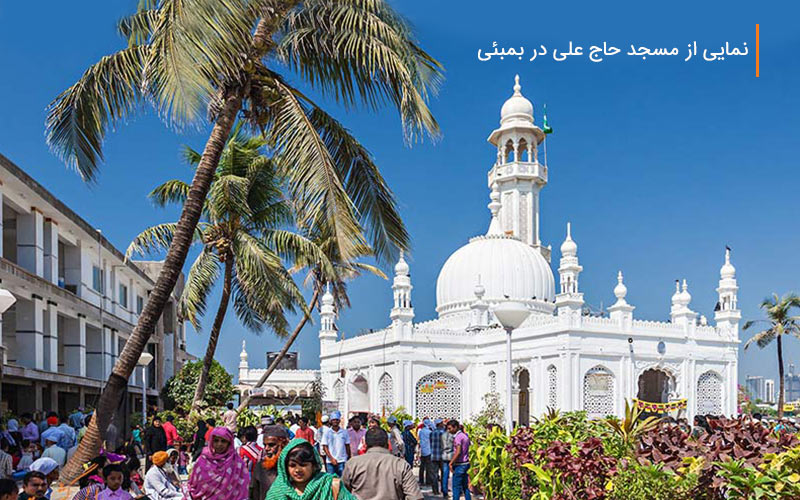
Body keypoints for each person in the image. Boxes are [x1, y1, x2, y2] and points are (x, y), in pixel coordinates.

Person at [342, 427, 423, 500]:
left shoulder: (352, 464)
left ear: (365, 445)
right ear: (388, 444)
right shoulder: (400, 465)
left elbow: (342, 492)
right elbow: (415, 497)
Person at [266, 439, 356, 500]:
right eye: (292, 465)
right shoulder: (278, 491)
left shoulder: (329, 485)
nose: (297, 470)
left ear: (313, 466)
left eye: (303, 465)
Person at [187, 427, 250, 500]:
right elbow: (194, 485)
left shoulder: (237, 463)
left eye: (223, 441)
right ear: (211, 441)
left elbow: (242, 487)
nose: (219, 444)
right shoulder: (202, 461)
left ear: (229, 443)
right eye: (216, 441)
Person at [249, 425, 287, 500]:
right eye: (264, 445)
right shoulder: (260, 467)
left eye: (271, 445)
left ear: (283, 444)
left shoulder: (291, 466)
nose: (266, 449)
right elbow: (254, 493)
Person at [320, 412, 350, 477]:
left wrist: (349, 457)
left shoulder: (344, 432)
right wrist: (331, 458)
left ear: (339, 421)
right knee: (331, 481)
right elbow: (325, 447)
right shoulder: (327, 432)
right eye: (333, 420)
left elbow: (347, 446)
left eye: (337, 420)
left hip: (342, 460)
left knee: (342, 481)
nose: (335, 421)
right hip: (330, 462)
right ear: (331, 421)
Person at [447, 420, 470, 500]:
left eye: (450, 429)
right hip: (466, 463)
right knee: (465, 487)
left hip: (460, 465)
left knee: (456, 488)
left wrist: (451, 463)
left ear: (455, 427)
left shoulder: (458, 437)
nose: (449, 431)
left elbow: (458, 451)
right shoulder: (465, 435)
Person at [417, 419, 434, 491]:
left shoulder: (421, 431)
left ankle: (421, 480)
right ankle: (428, 481)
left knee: (422, 467)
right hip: (429, 451)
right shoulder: (430, 432)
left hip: (423, 451)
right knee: (428, 467)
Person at [440, 419, 455, 498]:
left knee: (445, 475)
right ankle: (454, 490)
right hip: (451, 456)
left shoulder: (442, 435)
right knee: (453, 474)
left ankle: (445, 492)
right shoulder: (452, 436)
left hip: (444, 455)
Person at [431, 419, 445, 496]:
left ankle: (435, 490)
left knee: (434, 474)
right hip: (443, 456)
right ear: (439, 424)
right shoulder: (444, 433)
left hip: (434, 456)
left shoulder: (432, 433)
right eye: (442, 423)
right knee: (443, 474)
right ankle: (444, 489)